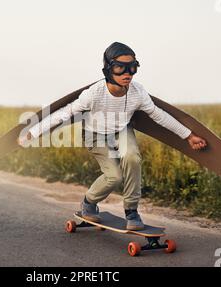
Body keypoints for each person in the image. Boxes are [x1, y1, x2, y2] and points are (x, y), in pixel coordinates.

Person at [18, 42, 207, 230]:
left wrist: (189, 136)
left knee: (132, 158)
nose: (127, 73)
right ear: (108, 69)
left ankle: (132, 212)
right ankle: (89, 203)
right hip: (95, 133)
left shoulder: (137, 92)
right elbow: (63, 113)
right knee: (114, 177)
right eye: (120, 68)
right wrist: (32, 133)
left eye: (132, 67)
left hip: (121, 130)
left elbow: (159, 115)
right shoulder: (93, 94)